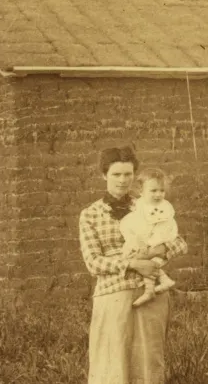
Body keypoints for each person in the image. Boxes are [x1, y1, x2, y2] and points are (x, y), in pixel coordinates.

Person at [79, 143, 188, 384]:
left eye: (128, 174)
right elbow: (94, 262)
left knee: (148, 363)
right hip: (112, 295)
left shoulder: (149, 204)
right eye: (116, 174)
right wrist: (133, 264)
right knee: (111, 364)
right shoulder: (90, 214)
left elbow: (179, 242)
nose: (122, 180)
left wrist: (155, 252)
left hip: (149, 294)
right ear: (104, 175)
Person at [118, 167, 181, 307]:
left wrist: (155, 242)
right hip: (143, 236)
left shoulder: (165, 207)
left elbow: (165, 224)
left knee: (148, 257)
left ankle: (149, 290)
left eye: (162, 190)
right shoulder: (140, 206)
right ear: (141, 191)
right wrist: (140, 241)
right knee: (137, 255)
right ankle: (162, 281)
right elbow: (137, 224)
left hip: (160, 235)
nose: (158, 194)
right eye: (153, 191)